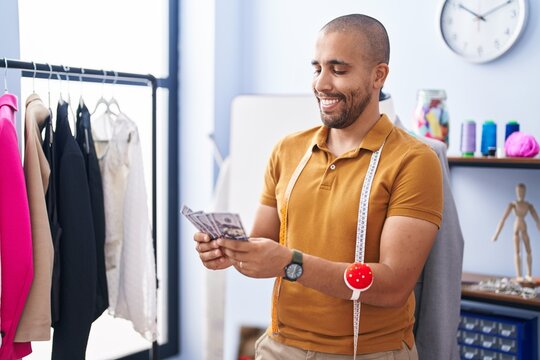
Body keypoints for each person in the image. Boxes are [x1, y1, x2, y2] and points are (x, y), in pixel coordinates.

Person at [194, 14, 443, 359]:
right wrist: (230, 251)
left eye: (338, 71)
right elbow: (264, 245)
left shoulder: (414, 160)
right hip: (280, 347)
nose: (322, 84)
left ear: (378, 75)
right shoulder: (288, 150)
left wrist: (289, 263)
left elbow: (393, 285)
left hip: (369, 352)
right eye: (317, 68)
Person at [492, 183, 540, 282]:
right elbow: (503, 219)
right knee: (517, 252)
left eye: (522, 191)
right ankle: (519, 275)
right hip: (516, 229)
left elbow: (537, 219)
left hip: (524, 228)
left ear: (525, 192)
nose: (520, 193)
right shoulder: (513, 204)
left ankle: (529, 274)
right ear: (516, 191)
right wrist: (496, 235)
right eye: (519, 191)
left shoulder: (528, 205)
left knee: (529, 251)